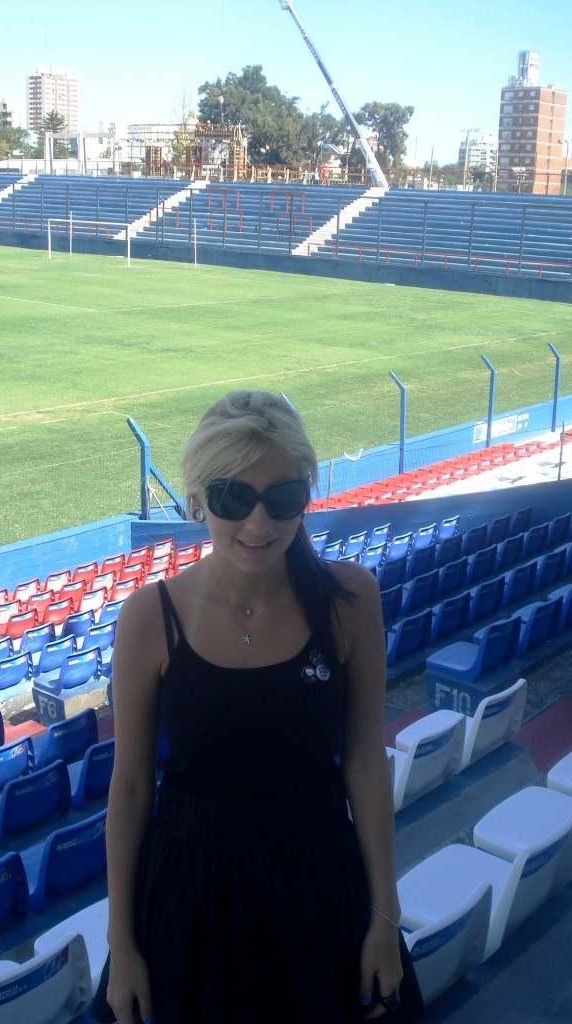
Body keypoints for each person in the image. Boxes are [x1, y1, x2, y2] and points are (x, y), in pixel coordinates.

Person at [94, 390, 425, 1024]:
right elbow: (131, 789)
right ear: (197, 501)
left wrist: (385, 914)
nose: (259, 524)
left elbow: (362, 762)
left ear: (307, 493)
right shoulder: (149, 617)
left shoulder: (350, 599)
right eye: (232, 498)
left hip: (320, 882)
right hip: (190, 896)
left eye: (283, 498)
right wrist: (122, 942)